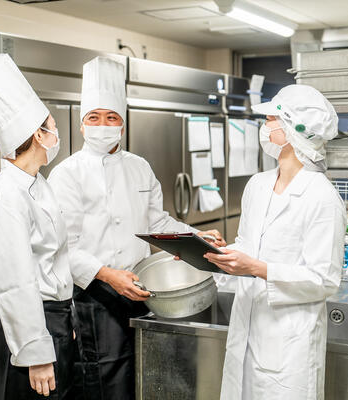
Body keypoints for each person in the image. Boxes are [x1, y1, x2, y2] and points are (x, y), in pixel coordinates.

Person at [47, 56, 226, 400]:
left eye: (111, 117)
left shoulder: (139, 167)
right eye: (94, 118)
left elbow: (157, 222)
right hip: (95, 296)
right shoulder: (66, 174)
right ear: (82, 126)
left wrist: (195, 236)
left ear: (122, 125)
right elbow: (61, 248)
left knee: (146, 375)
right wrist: (107, 274)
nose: (103, 124)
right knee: (107, 381)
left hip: (143, 290)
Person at [206, 84, 346, 400]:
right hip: (246, 333)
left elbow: (323, 279)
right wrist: (213, 252)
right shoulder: (258, 185)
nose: (265, 127)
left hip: (290, 348)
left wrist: (256, 268)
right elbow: (247, 244)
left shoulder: (322, 197)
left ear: (293, 129)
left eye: (271, 119)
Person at [0, 54, 74, 400]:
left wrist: (65, 324)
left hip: (49, 324)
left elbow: (52, 260)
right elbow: (14, 281)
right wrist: (36, 352)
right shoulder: (9, 194)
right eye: (52, 126)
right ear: (38, 134)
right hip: (26, 337)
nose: (56, 133)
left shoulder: (35, 183)